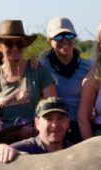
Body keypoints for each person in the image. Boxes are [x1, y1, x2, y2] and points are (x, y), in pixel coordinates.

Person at [0, 19, 57, 142]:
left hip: (36, 139)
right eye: (9, 43)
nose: (15, 48)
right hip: (5, 141)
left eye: (20, 43)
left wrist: (34, 129)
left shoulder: (39, 72)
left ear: (25, 45)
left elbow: (53, 111)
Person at [39, 16, 92, 144]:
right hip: (54, 128)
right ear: (49, 41)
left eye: (68, 36)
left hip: (81, 126)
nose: (64, 40)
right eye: (58, 37)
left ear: (74, 38)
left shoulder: (88, 66)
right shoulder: (41, 66)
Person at [0, 97, 70, 163]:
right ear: (37, 123)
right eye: (48, 119)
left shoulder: (73, 149)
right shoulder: (27, 147)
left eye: (60, 119)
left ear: (67, 123)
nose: (54, 125)